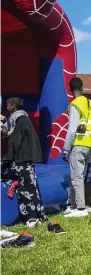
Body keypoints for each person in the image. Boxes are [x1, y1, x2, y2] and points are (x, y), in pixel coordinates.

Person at [1, 98, 56, 230]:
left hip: (21, 160)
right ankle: (38, 215)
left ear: (13, 106)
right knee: (32, 187)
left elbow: (15, 140)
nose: (6, 106)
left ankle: (31, 217)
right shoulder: (25, 119)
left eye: (8, 104)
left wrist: (5, 161)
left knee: (26, 189)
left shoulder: (18, 119)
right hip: (26, 160)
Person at [62, 77, 91, 218]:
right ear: (82, 88)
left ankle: (80, 208)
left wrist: (66, 149)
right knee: (80, 176)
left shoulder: (75, 104)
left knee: (76, 177)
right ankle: (74, 205)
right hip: (90, 144)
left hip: (78, 144)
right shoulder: (90, 103)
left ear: (70, 89)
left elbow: (72, 129)